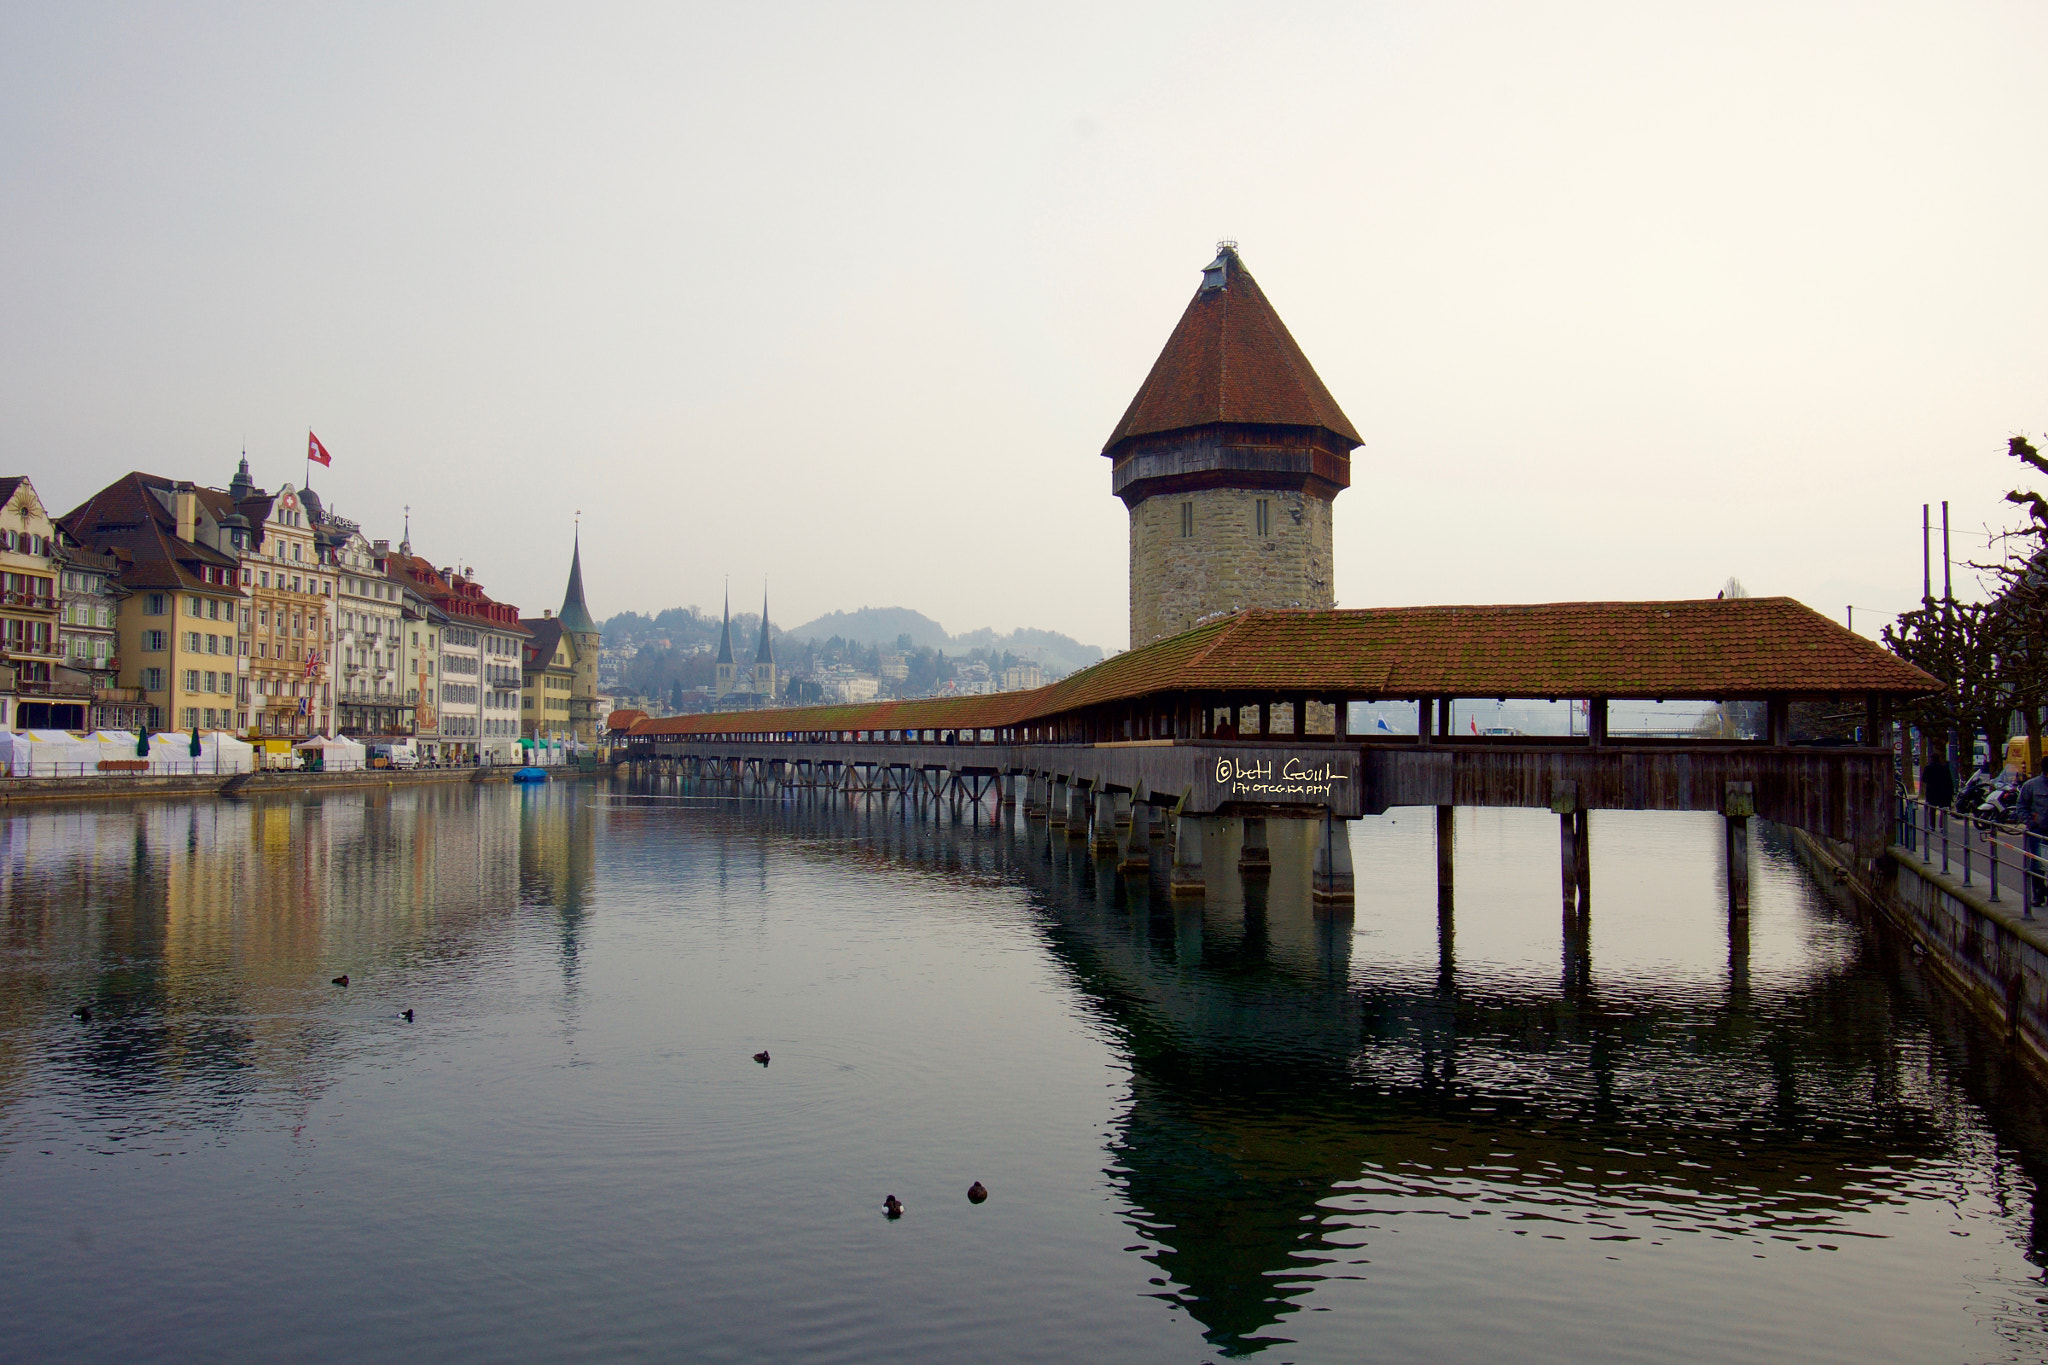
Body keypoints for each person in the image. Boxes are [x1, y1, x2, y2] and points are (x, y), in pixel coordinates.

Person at [2017, 760, 2048, 912]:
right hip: (2039, 831)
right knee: (2037, 864)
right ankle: (2038, 893)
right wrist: (2031, 822)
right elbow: (2021, 806)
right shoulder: (2031, 785)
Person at [1920, 746, 1956, 812]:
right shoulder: (1944, 768)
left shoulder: (1928, 768)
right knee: (1943, 810)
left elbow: (1924, 779)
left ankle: (1932, 822)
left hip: (1931, 792)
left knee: (1932, 809)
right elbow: (1949, 781)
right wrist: (1951, 792)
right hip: (1942, 792)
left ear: (1931, 759)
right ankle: (1942, 822)